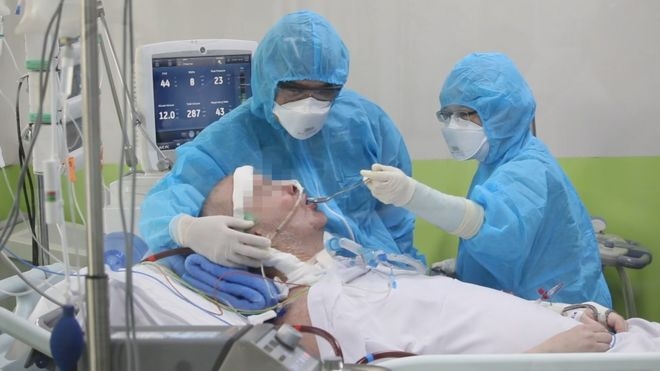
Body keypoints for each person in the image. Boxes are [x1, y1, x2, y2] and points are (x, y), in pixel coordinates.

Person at [194, 166, 658, 363]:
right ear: (253, 234)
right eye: (265, 189)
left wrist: (572, 313)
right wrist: (545, 360)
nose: (292, 185)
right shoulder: (315, 312)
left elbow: (462, 311)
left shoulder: (358, 270)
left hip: (615, 341)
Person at [138, 10, 424, 273]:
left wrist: (406, 265)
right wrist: (186, 229)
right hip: (303, 285)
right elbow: (167, 201)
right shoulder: (225, 142)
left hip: (384, 275)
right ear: (266, 79)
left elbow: (395, 210)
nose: (310, 104)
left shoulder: (364, 121)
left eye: (325, 91)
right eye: (294, 89)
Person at [360, 52, 611, 307]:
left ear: (504, 112)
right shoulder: (494, 163)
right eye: (447, 115)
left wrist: (409, 194)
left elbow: (489, 227)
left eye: (465, 114)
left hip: (563, 309)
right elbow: (516, 241)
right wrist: (465, 264)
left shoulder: (530, 168)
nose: (452, 125)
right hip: (527, 305)